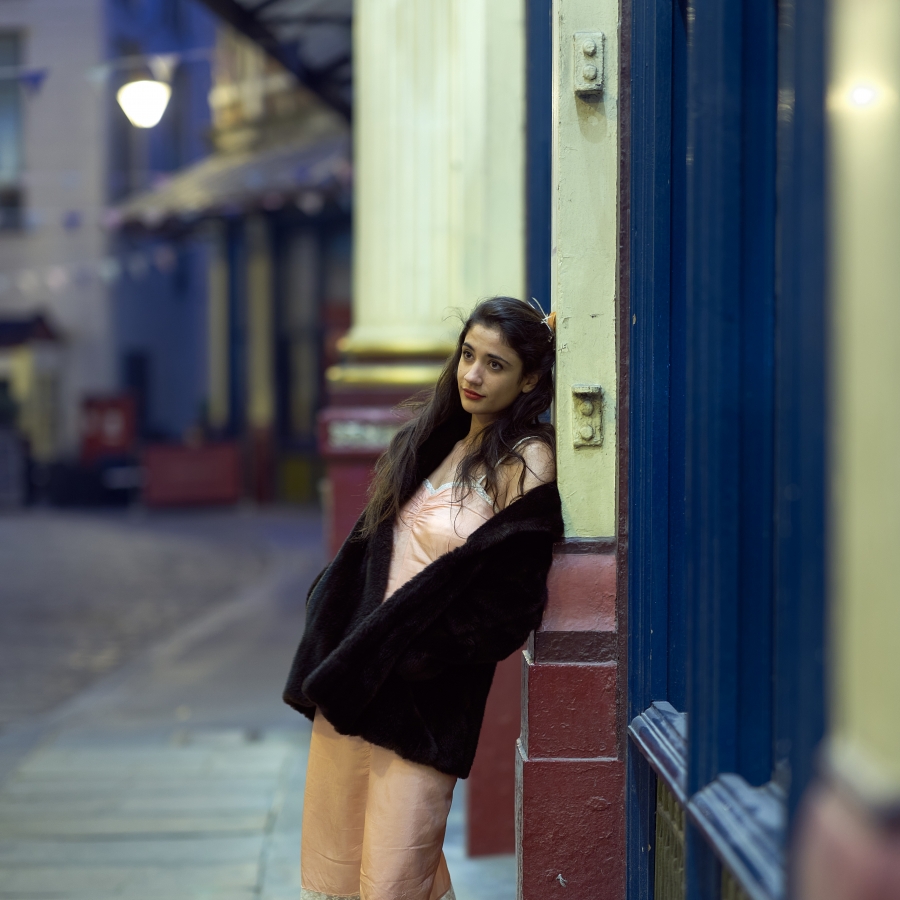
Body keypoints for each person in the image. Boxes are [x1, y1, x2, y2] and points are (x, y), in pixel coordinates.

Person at [284, 296, 564, 900]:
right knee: (339, 870)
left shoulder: (527, 459)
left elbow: (509, 606)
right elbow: (366, 557)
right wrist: (326, 619)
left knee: (396, 880)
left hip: (422, 705)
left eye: (495, 364)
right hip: (353, 685)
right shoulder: (433, 440)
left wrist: (416, 659)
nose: (472, 374)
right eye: (468, 355)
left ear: (529, 380)